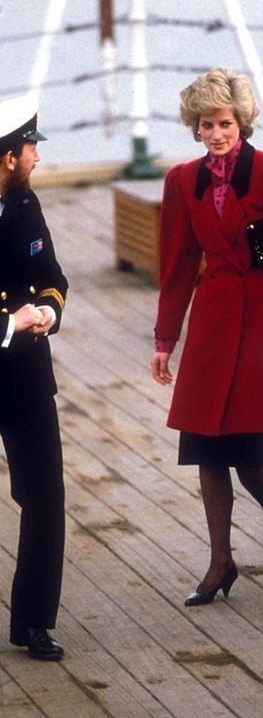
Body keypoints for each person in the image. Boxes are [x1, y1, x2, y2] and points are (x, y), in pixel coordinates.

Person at [151, 67, 263, 605]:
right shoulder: (182, 181)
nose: (217, 133)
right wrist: (164, 340)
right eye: (206, 125)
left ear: (242, 122)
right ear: (196, 128)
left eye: (225, 122)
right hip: (213, 317)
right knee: (204, 446)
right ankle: (220, 561)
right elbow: (177, 264)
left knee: (247, 445)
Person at [0, 95, 68, 659]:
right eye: (30, 149)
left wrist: (48, 312)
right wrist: (7, 321)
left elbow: (52, 277)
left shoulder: (26, 204)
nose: (36, 159)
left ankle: (33, 623)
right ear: (8, 157)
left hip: (25, 375)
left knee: (45, 495)